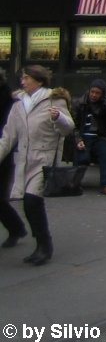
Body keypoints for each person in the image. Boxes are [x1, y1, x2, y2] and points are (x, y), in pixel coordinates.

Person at [0, 65, 75, 265]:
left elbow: (68, 128)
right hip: (24, 160)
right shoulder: (18, 104)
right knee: (29, 203)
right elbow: (7, 137)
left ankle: (45, 245)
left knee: (32, 201)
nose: (22, 82)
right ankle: (40, 244)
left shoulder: (54, 100)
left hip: (44, 160)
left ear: (39, 80)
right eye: (22, 78)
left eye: (26, 78)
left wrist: (58, 117)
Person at [72, 80, 106, 196]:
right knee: (83, 156)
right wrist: (78, 140)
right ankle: (74, 182)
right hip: (83, 136)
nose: (93, 95)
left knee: (105, 153)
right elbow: (74, 125)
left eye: (97, 93)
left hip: (100, 137)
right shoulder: (80, 103)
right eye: (92, 92)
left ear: (102, 94)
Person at [0, 72, 28, 249]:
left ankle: (16, 227)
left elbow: (9, 130)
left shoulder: (7, 97)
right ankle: (16, 228)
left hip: (3, 150)